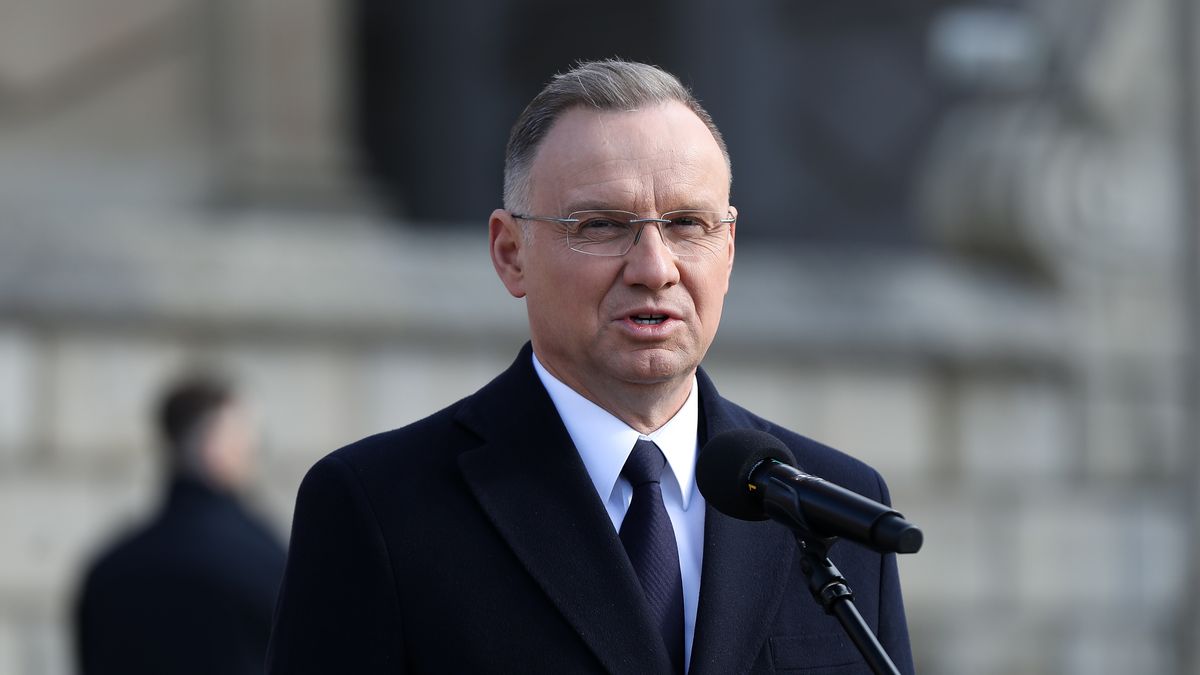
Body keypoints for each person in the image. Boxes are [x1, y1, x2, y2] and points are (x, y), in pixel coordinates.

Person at [267, 59, 914, 674]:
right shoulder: (380, 506)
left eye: (688, 223)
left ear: (730, 249)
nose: (655, 268)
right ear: (510, 252)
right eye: (603, 225)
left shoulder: (832, 509)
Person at [76, 375, 286, 675]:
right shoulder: (264, 557)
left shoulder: (111, 568)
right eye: (249, 438)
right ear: (216, 446)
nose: (254, 453)